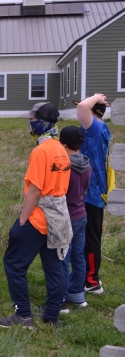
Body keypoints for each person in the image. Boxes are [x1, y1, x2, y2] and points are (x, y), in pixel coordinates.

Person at [0, 102, 71, 329]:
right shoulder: (60, 149)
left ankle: (24, 316)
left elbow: (35, 190)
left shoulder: (40, 152)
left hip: (38, 218)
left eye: (32, 120)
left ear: (42, 123)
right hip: (58, 219)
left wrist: (22, 220)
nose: (30, 124)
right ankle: (52, 316)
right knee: (54, 268)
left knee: (14, 264)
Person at [75, 94, 110, 294]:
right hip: (94, 191)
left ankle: (91, 281)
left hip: (91, 193)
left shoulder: (94, 129)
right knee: (91, 236)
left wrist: (97, 97)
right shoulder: (101, 127)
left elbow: (81, 108)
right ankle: (89, 277)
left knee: (90, 239)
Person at [58, 126, 92, 313]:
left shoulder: (65, 168)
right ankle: (77, 294)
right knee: (78, 256)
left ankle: (61, 300)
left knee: (62, 259)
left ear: (64, 145)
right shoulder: (87, 165)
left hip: (66, 217)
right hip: (82, 215)